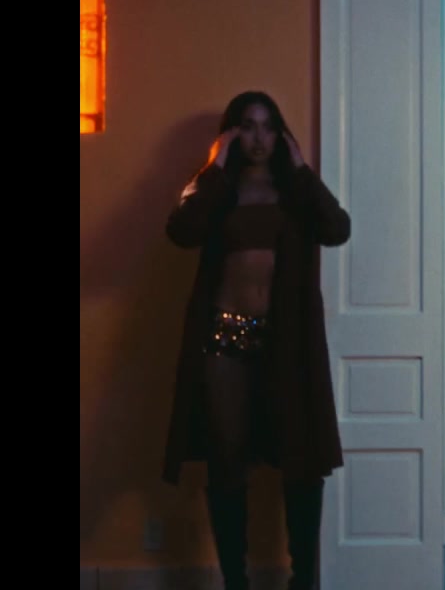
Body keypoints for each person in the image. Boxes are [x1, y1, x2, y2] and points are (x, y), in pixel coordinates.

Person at [161, 90, 351, 590]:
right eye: (247, 126)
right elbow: (181, 231)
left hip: (286, 342)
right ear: (231, 133)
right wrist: (214, 164)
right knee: (227, 464)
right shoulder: (217, 188)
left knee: (300, 462)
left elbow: (337, 229)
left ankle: (302, 579)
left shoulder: (295, 191)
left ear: (281, 134)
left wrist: (303, 169)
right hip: (225, 339)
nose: (259, 137)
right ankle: (236, 582)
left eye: (268, 126)